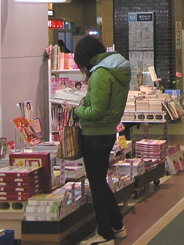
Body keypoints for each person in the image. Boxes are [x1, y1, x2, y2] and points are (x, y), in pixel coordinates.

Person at [62, 36, 131, 245]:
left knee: (97, 184)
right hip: (107, 132)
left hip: (94, 134)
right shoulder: (114, 69)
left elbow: (97, 111)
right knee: (100, 181)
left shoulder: (101, 73)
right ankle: (117, 226)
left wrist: (74, 109)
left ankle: (105, 233)